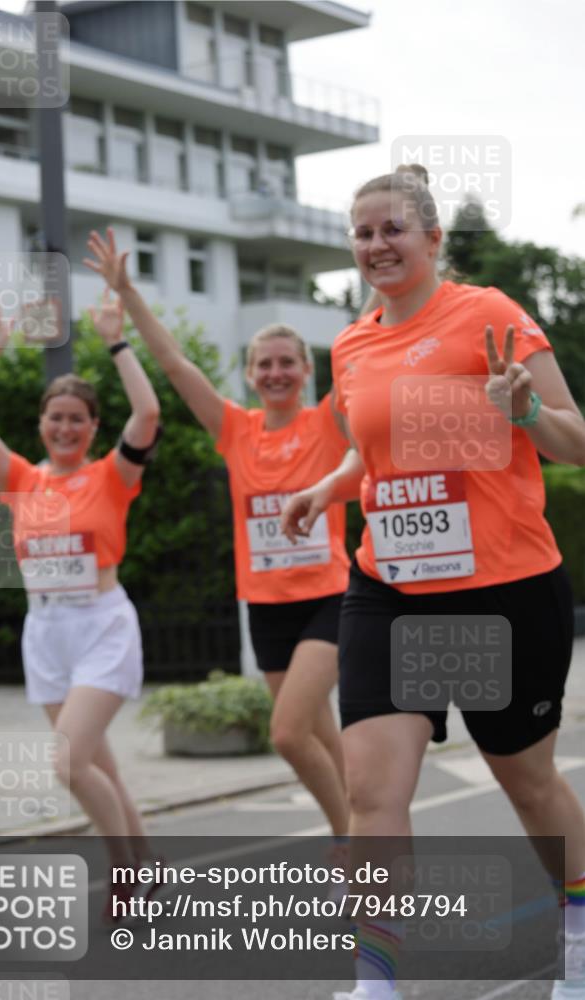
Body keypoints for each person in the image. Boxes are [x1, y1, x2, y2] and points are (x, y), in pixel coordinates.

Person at [281, 168, 585, 1000]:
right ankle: (376, 984)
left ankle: (579, 933)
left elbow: (575, 442)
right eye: (361, 233)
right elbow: (373, 450)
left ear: (431, 239)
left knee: (525, 783)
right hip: (390, 587)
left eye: (391, 230)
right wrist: (327, 487)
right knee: (371, 789)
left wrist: (521, 411)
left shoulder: (488, 315)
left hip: (503, 588)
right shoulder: (348, 344)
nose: (374, 246)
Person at [83, 228, 352, 844]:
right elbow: (176, 364)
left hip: (328, 597)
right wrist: (128, 297)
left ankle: (352, 844)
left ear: (307, 370)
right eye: (266, 365)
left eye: (288, 362)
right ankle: (372, 833)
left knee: (287, 734)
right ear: (251, 375)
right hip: (266, 604)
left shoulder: (328, 423)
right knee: (320, 732)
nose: (277, 372)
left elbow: (364, 333)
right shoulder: (235, 428)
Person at [0, 292, 162, 922]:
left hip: (101, 625)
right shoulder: (21, 478)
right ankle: (147, 867)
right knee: (98, 763)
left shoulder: (111, 476)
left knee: (69, 761)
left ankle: (124, 873)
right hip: (45, 631)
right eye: (56, 417)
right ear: (41, 423)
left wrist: (118, 343)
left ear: (94, 428)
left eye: (78, 419)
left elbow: (148, 410)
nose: (66, 427)